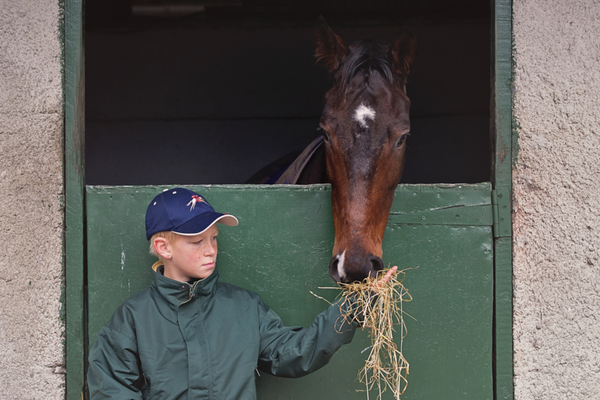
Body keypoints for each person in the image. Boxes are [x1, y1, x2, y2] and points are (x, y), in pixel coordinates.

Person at [87, 187, 396, 400]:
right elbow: (112, 390)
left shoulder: (244, 308)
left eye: (214, 238)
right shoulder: (132, 320)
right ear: (163, 247)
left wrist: (356, 305)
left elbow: (296, 353)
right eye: (197, 242)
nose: (210, 250)